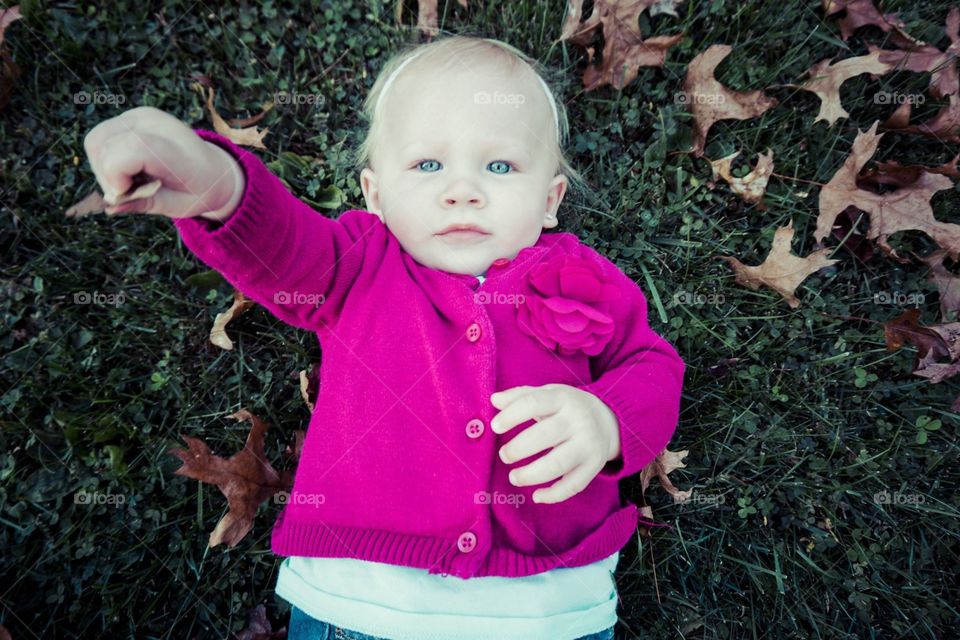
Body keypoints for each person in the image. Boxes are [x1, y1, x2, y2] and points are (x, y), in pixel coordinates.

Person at [79, 34, 685, 640]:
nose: (463, 189)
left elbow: (650, 365)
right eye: (427, 165)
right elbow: (282, 248)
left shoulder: (587, 281)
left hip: (550, 608)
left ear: (549, 201)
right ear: (376, 196)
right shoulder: (358, 265)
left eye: (499, 166)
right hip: (361, 601)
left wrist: (608, 421)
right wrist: (216, 188)